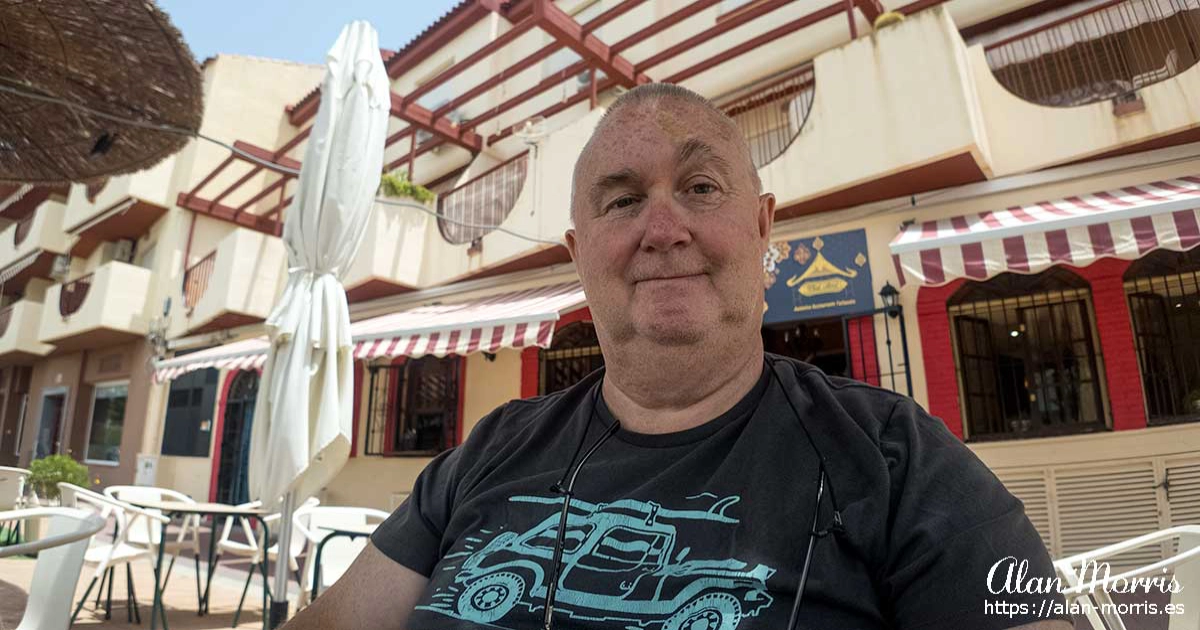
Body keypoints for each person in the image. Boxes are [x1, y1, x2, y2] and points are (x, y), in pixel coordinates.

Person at [284, 83, 1071, 630]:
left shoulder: (899, 460)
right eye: (623, 200)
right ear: (579, 253)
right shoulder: (490, 449)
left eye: (700, 187)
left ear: (764, 228)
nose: (663, 228)